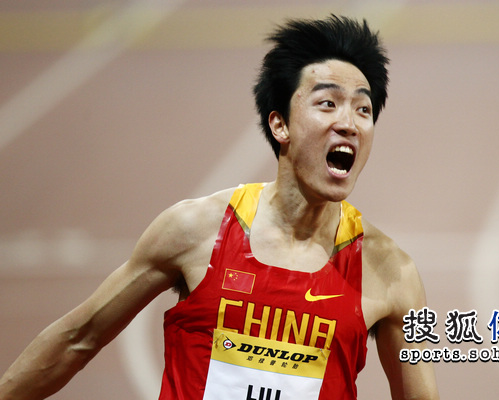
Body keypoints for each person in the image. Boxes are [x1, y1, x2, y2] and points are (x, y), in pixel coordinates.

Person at [0, 15, 439, 400]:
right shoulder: (195, 231)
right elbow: (77, 340)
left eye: (363, 110)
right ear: (279, 124)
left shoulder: (389, 272)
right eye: (328, 103)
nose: (349, 123)